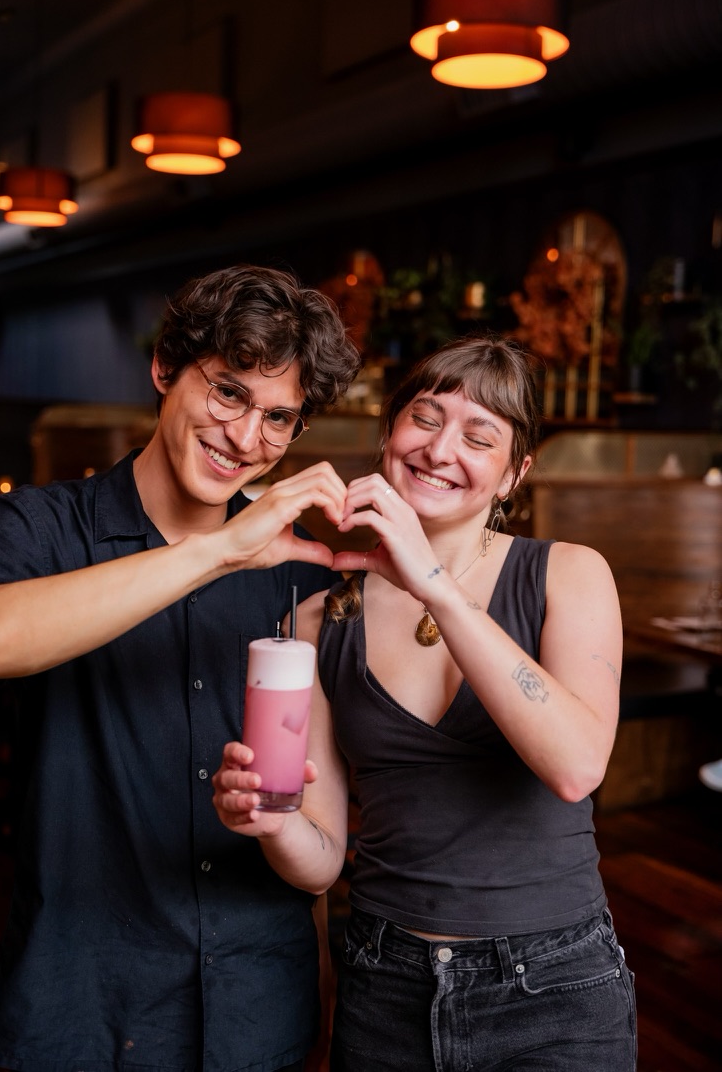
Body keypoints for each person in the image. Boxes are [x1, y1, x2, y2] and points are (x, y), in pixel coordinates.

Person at [214, 334, 637, 1071]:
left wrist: (432, 581)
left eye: (481, 436)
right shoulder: (314, 622)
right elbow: (319, 863)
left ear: (515, 474)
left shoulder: (569, 575)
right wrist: (268, 820)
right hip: (385, 983)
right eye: (427, 417)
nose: (443, 450)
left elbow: (576, 766)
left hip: (556, 988)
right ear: (388, 434)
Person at [0, 263, 361, 1072]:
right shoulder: (42, 528)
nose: (245, 439)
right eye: (228, 393)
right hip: (81, 1004)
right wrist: (222, 550)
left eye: (278, 419)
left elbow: (323, 855)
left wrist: (276, 823)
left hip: (253, 1011)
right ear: (166, 367)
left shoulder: (298, 576)